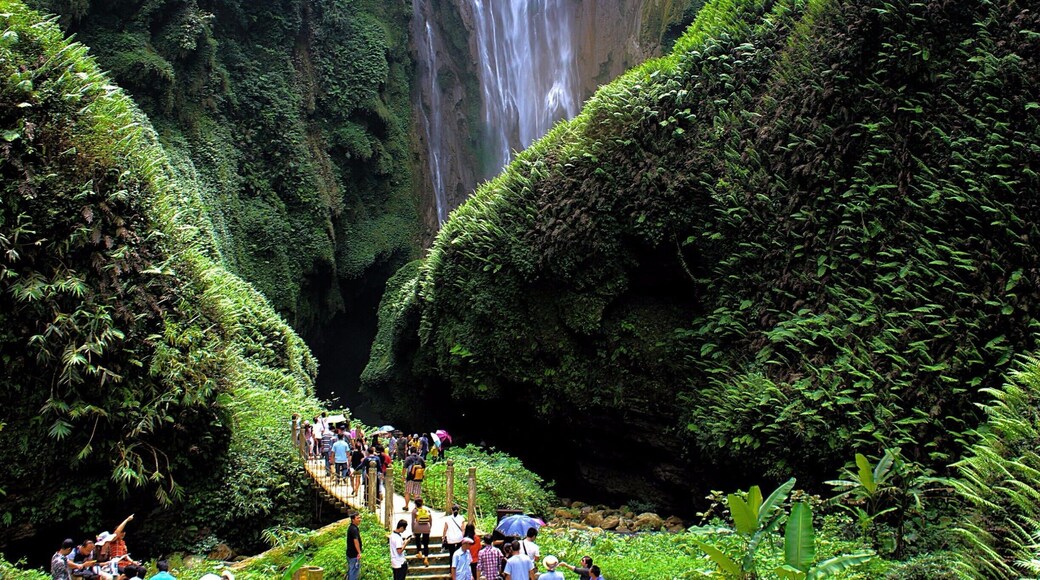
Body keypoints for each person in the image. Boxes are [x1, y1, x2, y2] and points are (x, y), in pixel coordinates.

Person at [411, 498, 433, 566]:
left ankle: (420, 552)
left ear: (415, 504)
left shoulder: (414, 511)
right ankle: (426, 558)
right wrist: (430, 527)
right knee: (426, 544)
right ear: (422, 503)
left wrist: (413, 530)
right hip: (426, 528)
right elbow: (430, 520)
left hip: (417, 527)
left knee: (418, 540)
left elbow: (412, 521)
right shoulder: (427, 510)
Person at [346, 512, 363, 580]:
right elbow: (356, 541)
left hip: (350, 554)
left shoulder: (352, 527)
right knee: (353, 573)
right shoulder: (354, 529)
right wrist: (359, 552)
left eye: (360, 517)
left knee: (351, 571)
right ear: (353, 520)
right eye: (358, 518)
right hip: (353, 555)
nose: (360, 519)